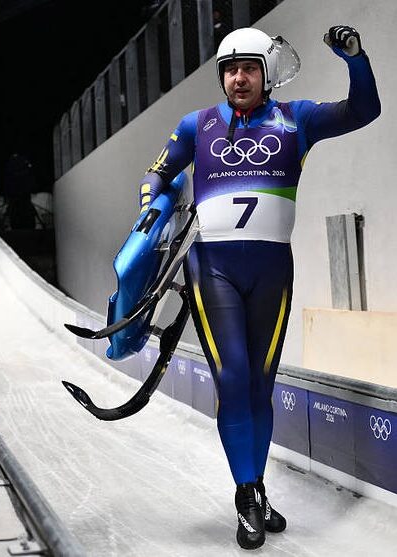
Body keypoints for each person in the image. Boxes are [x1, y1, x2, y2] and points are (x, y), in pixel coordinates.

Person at [137, 26, 379, 549]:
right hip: (212, 268)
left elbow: (365, 110)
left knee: (259, 386)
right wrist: (149, 204)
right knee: (233, 379)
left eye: (248, 68)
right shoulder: (195, 125)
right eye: (229, 69)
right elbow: (157, 173)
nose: (238, 78)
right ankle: (246, 495)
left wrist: (356, 59)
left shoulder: (298, 119)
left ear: (267, 74)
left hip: (272, 269)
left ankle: (257, 486)